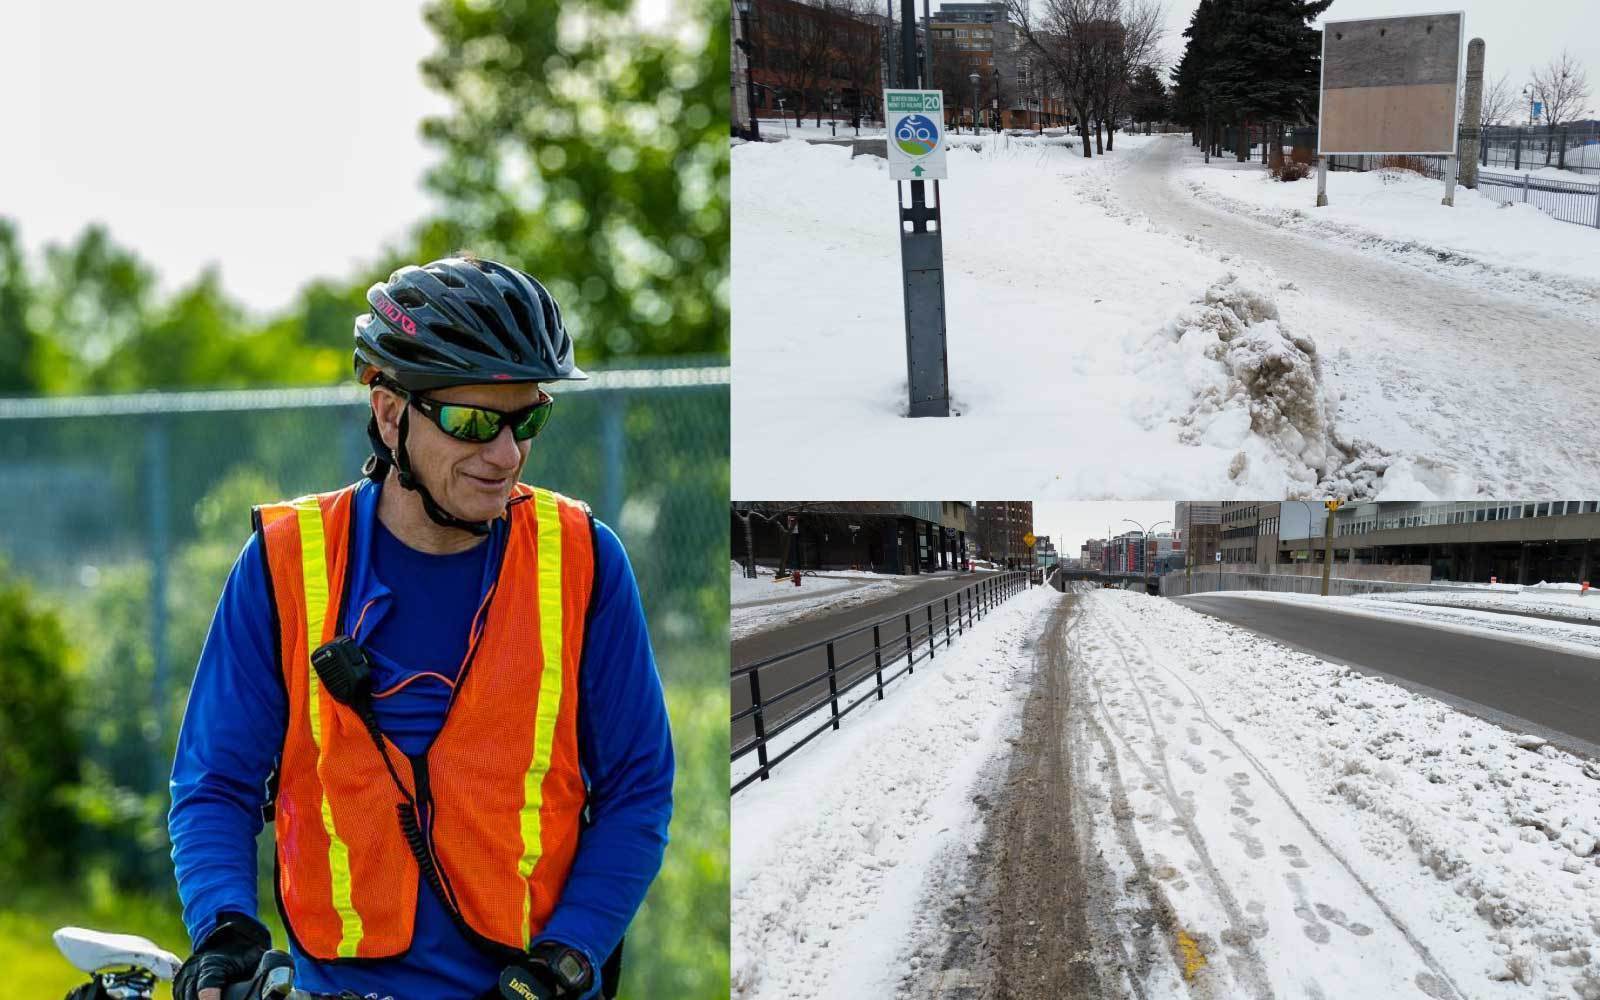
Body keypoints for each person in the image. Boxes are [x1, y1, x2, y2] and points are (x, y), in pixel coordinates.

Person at [168, 257, 674, 1000]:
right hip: (334, 985)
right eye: (473, 421)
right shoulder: (283, 564)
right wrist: (224, 931)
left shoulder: (583, 560)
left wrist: (569, 959)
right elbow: (215, 785)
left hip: (525, 984)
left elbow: (638, 789)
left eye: (527, 419)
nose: (506, 455)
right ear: (388, 412)